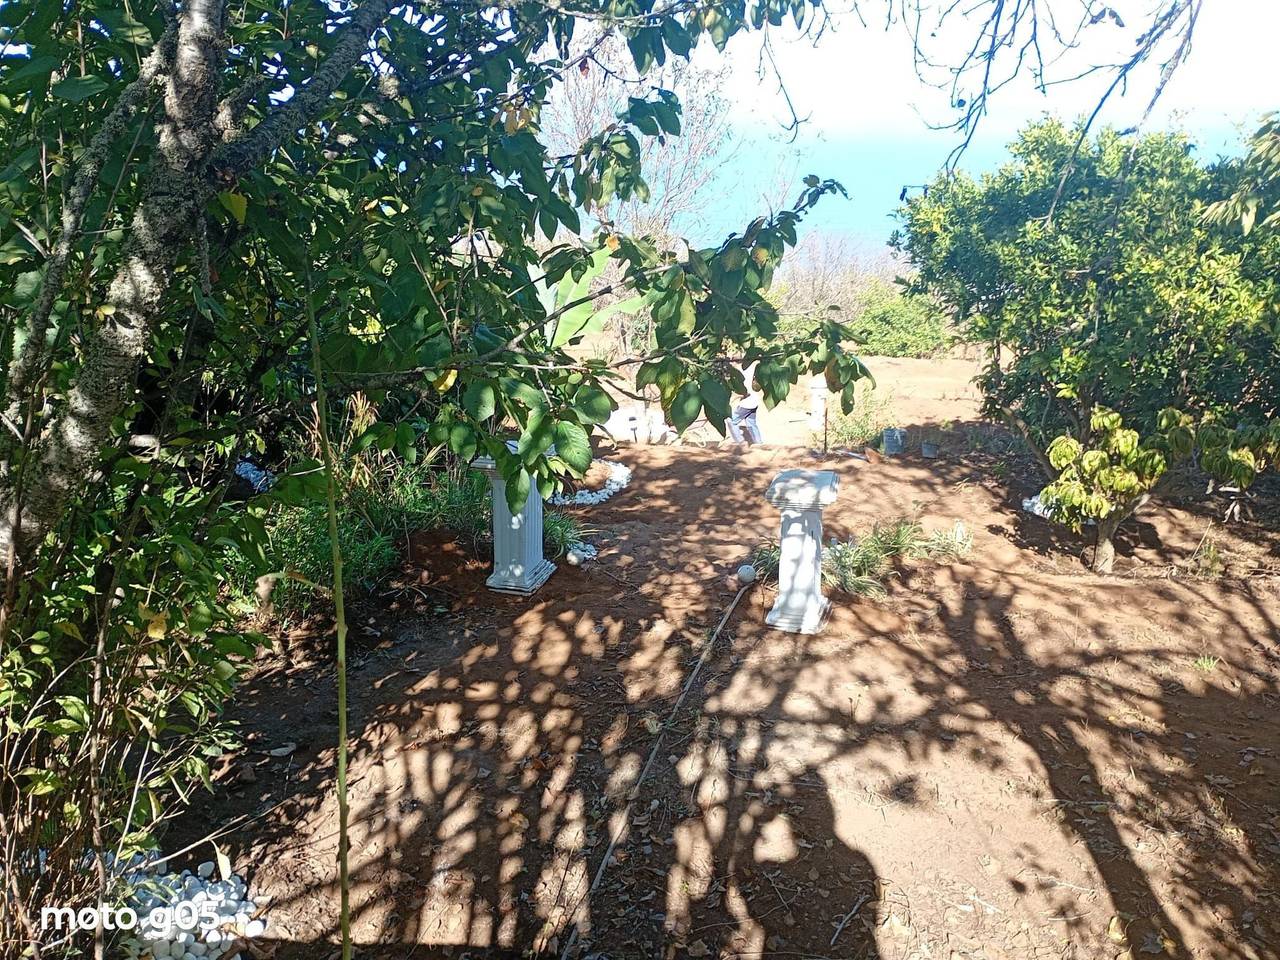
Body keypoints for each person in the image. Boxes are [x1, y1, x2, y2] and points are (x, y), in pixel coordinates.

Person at [728, 361, 763, 444]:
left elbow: (746, 392)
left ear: (734, 362)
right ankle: (758, 443)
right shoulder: (749, 368)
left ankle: (740, 442)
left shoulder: (740, 373)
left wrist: (734, 398)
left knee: (731, 421)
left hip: (747, 404)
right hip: (755, 401)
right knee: (751, 423)